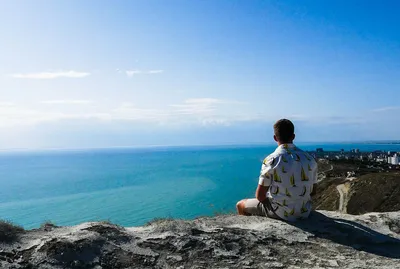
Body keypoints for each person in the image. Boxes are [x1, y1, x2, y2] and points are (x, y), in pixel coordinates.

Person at [236, 119, 318, 221]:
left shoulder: (271, 160)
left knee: (240, 204)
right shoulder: (309, 159)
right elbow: (313, 192)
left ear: (275, 138)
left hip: (280, 213)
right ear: (293, 136)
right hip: (305, 212)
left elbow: (260, 196)